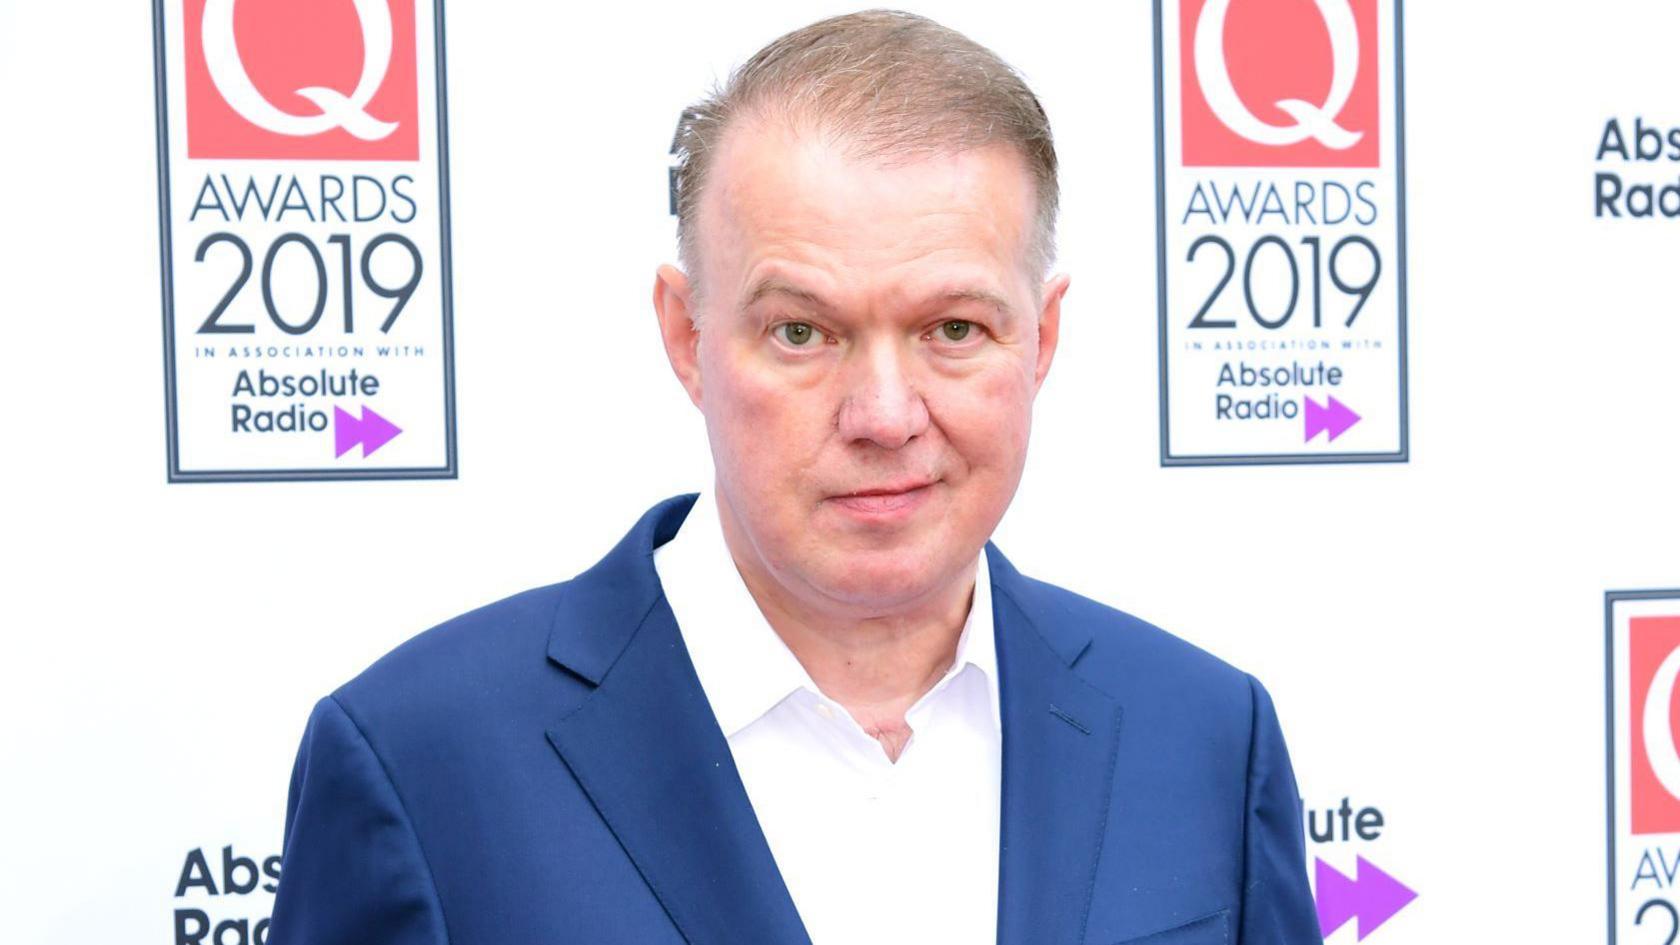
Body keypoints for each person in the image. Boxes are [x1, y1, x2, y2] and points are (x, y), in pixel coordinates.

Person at [268, 10, 1320, 944]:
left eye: (954, 328)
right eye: (803, 332)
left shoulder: (1207, 739)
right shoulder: (420, 760)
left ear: (1040, 338)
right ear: (686, 336)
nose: (884, 416)